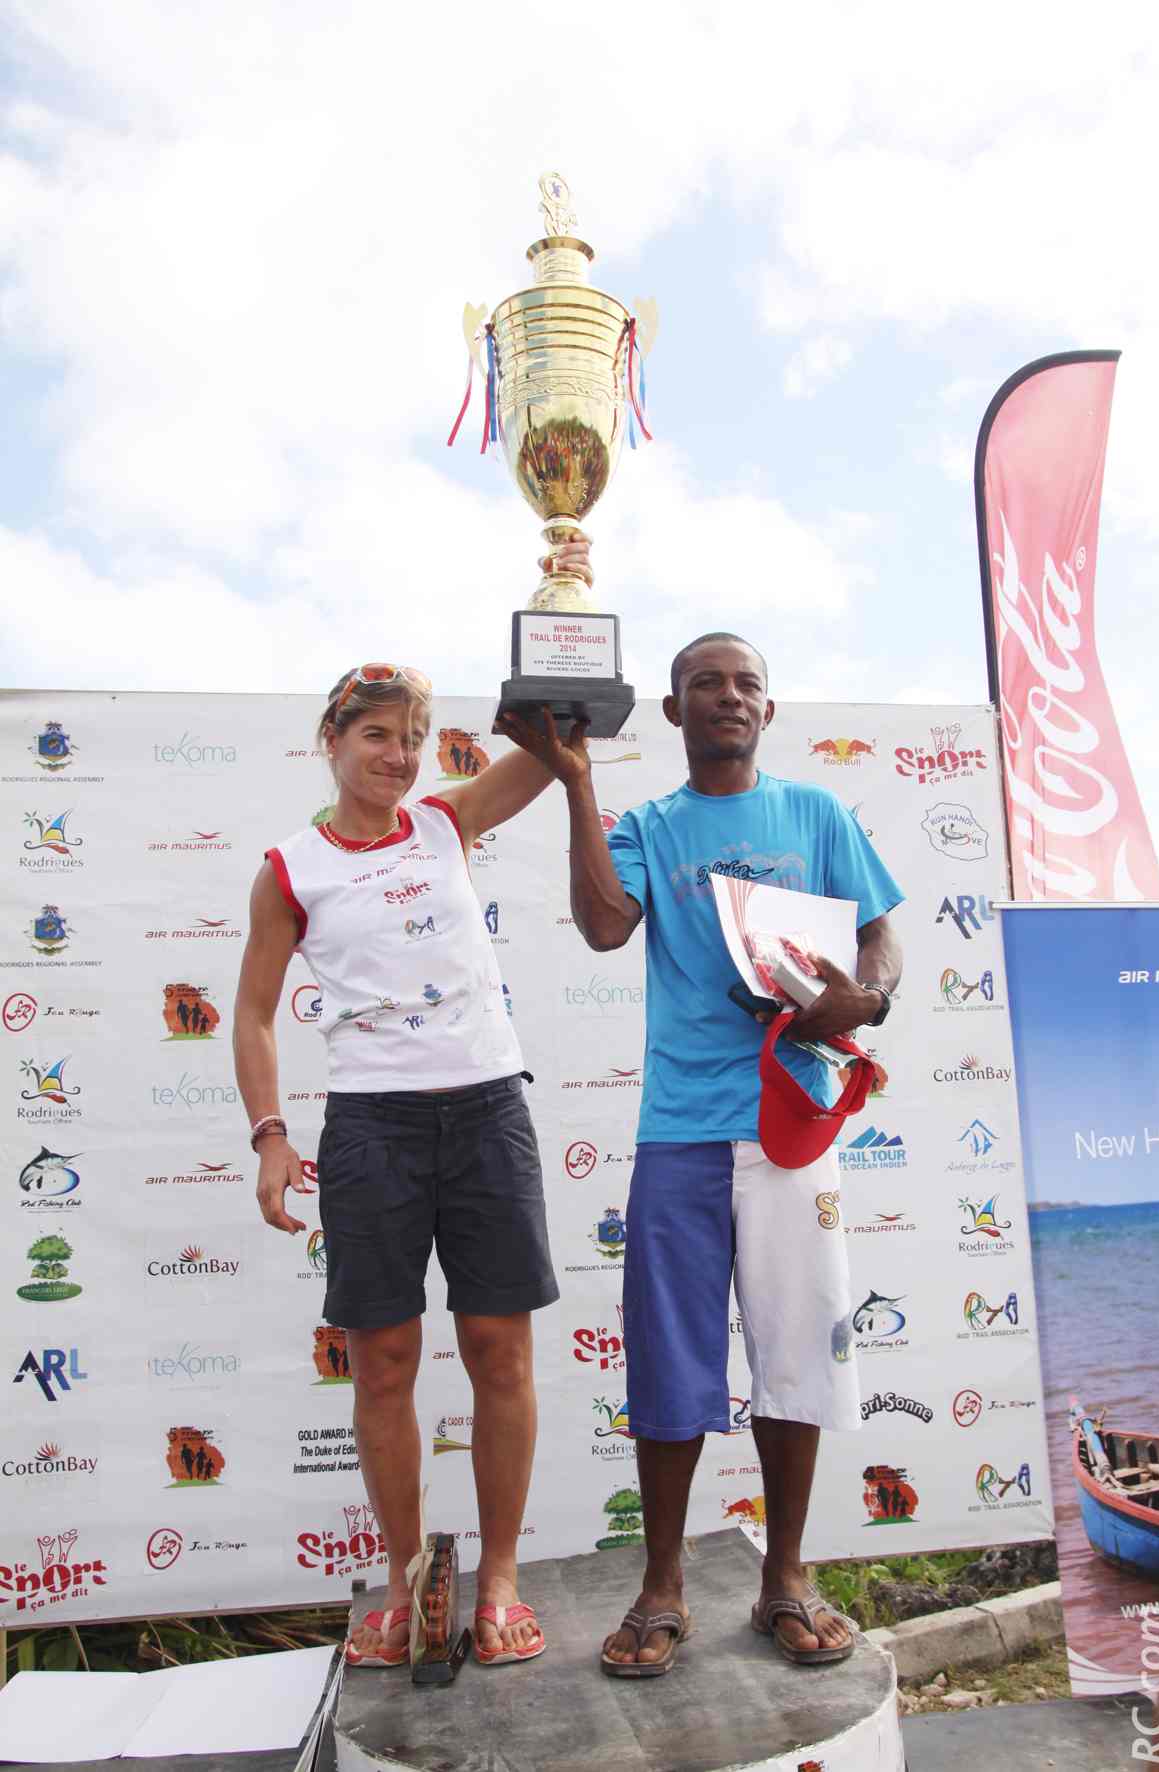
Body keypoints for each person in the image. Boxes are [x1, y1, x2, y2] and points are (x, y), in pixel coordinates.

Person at [501, 632, 903, 1677]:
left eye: (745, 684)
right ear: (673, 712)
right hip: (678, 1126)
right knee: (671, 1358)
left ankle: (788, 1574)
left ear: (767, 709)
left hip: (790, 1117)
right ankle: (661, 1582)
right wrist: (576, 784)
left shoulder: (814, 814)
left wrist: (865, 997)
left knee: (794, 1351)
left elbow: (879, 935)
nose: (728, 697)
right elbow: (600, 925)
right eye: (704, 685)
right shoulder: (645, 823)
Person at [233, 543, 590, 1671]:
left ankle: (493, 1578)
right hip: (372, 1131)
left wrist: (562, 592)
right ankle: (399, 1580)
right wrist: (272, 1135)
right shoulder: (289, 866)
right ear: (330, 744)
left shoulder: (445, 822)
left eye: (409, 736)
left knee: (499, 1350)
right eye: (371, 734)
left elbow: (542, 753)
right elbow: (250, 1015)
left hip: (486, 1107)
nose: (393, 754)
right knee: (382, 1361)